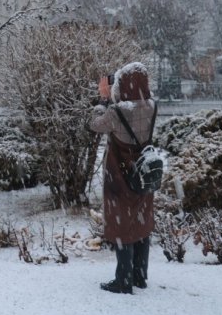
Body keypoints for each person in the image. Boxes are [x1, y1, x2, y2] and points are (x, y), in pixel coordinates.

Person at [90, 62, 157, 294]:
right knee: (140, 221)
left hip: (120, 176)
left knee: (122, 224)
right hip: (143, 173)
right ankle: (139, 275)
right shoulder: (151, 106)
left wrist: (104, 100)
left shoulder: (116, 112)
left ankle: (123, 280)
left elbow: (95, 125)